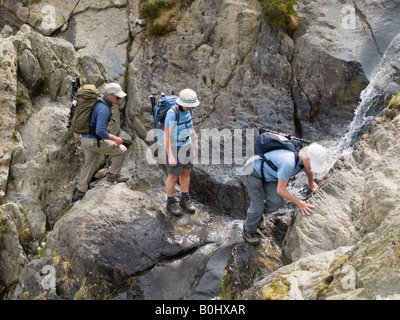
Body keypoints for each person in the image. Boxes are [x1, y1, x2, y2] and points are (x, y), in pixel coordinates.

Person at [242, 142, 328, 245]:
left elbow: (308, 170)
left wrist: (311, 183)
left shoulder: (302, 161)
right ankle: (248, 231)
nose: (313, 167)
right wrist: (299, 203)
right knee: (258, 206)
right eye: (313, 164)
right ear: (306, 159)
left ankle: (257, 216)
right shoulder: (289, 163)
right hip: (252, 172)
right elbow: (280, 190)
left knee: (276, 202)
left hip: (270, 174)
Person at [72, 83, 129, 202]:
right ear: (109, 95)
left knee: (89, 164)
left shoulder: (97, 102)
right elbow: (100, 131)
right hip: (93, 141)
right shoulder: (104, 109)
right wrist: (115, 138)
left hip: (86, 139)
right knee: (121, 150)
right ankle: (113, 175)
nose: (120, 99)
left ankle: (80, 191)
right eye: (117, 97)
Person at [164, 89, 199, 216]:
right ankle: (170, 201)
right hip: (175, 147)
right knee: (173, 176)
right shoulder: (172, 113)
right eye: (188, 105)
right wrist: (171, 156)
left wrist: (194, 142)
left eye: (192, 105)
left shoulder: (189, 111)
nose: (190, 107)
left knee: (186, 172)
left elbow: (191, 126)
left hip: (187, 144)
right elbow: (167, 135)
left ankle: (185, 198)